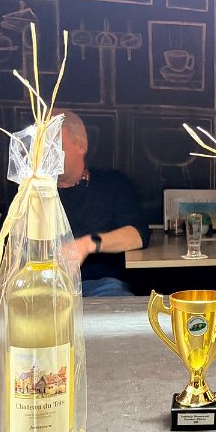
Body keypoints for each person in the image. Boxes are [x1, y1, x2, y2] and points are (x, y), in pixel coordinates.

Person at [55, 111, 149, 297]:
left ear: (81, 145)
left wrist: (87, 244)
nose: (47, 153)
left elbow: (138, 235)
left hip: (100, 286)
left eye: (55, 145)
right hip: (45, 286)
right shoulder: (30, 192)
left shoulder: (112, 183)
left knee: (122, 305)